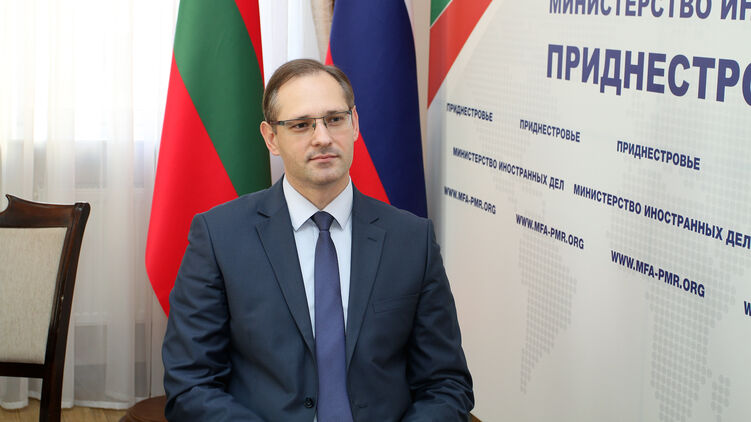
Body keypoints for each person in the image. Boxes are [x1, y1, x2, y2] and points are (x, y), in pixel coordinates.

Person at [162, 58, 473, 421]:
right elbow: (191, 384)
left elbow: (446, 384)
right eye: (301, 125)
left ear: (355, 124)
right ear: (271, 138)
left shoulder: (411, 240)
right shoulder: (219, 236)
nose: (323, 137)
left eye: (335, 119)